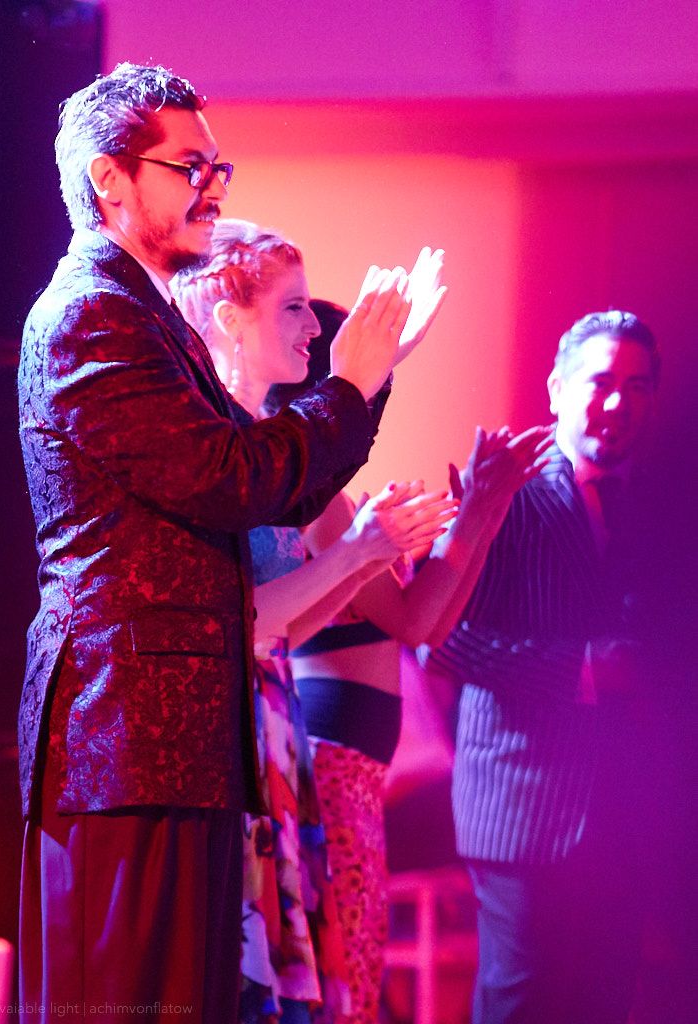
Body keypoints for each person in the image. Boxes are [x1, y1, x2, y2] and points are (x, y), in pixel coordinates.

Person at [16, 63, 425, 1023]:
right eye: (187, 166)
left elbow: (274, 486)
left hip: (171, 744)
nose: (211, 187)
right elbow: (232, 480)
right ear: (110, 181)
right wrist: (348, 385)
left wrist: (365, 383)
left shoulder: (142, 313)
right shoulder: (93, 312)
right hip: (126, 743)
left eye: (218, 168)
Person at [172, 219, 455, 1023]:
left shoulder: (258, 444)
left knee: (300, 983)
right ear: (229, 321)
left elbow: (278, 634)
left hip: (278, 734)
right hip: (235, 748)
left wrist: (367, 554)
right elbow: (238, 623)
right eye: (292, 307)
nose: (309, 325)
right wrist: (360, 551)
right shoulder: (222, 449)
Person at [265, 300, 552, 1024]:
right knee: (346, 977)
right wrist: (478, 510)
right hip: (334, 769)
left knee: (350, 972)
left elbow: (429, 623)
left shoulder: (324, 496)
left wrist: (484, 510)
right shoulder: (317, 499)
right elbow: (416, 620)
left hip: (350, 769)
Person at [426, 310, 661, 1024]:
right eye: (601, 381)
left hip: (628, 816)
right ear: (557, 388)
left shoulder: (658, 507)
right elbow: (438, 639)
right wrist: (580, 672)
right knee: (521, 1006)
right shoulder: (505, 491)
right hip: (520, 813)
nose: (617, 401)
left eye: (637, 386)